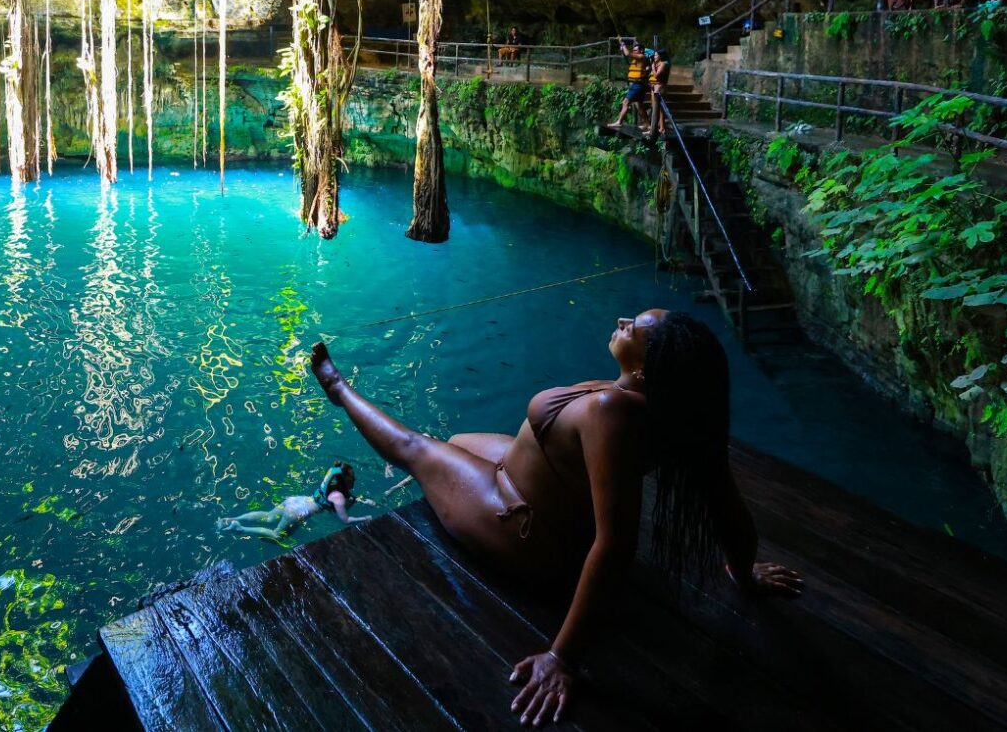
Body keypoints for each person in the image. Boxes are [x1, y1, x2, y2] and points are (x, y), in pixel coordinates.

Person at [307, 311, 803, 726]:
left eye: (636, 330)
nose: (623, 322)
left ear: (651, 368)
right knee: (457, 442)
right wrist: (742, 571)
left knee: (417, 449)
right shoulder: (660, 409)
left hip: (522, 526)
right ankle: (477, 469)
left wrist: (562, 657)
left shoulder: (612, 412)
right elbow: (720, 490)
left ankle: (338, 388)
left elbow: (616, 544)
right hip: (528, 475)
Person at [216, 462, 374, 541]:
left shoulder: (332, 483)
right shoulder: (338, 497)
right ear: (344, 479)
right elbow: (345, 519)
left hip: (296, 500)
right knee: (277, 536)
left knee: (268, 516)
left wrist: (362, 501)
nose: (354, 479)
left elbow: (348, 497)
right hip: (297, 513)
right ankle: (240, 529)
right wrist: (364, 518)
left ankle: (233, 519)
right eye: (352, 477)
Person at [610, 40, 649, 129]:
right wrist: (622, 50)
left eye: (636, 50)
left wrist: (623, 45)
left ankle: (619, 122)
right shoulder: (637, 58)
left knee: (626, 102)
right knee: (639, 105)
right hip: (638, 84)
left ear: (641, 50)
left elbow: (628, 54)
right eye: (634, 50)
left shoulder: (641, 56)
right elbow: (626, 56)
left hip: (637, 85)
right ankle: (647, 124)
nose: (634, 52)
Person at [644, 48, 670, 136]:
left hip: (660, 88)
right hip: (654, 88)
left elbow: (657, 75)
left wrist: (652, 67)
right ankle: (660, 128)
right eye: (654, 55)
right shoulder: (658, 63)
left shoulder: (664, 64)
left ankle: (655, 129)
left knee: (658, 109)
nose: (654, 57)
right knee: (655, 108)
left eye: (656, 55)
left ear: (661, 56)